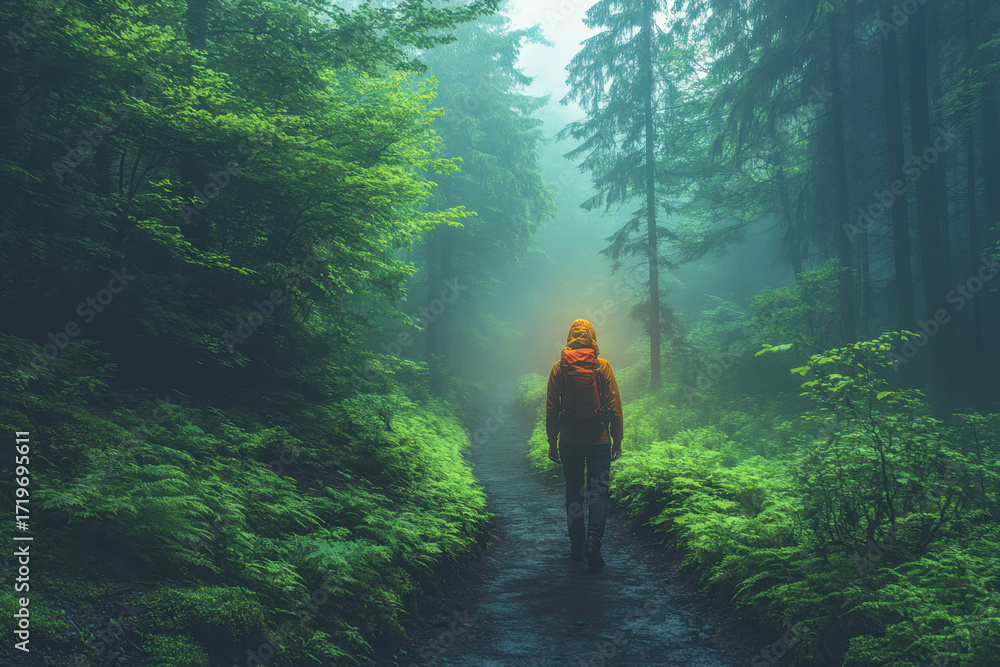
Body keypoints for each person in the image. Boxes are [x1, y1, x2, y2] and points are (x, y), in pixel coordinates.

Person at [546, 318, 623, 569]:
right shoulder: (603, 366)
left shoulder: (559, 367)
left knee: (573, 492)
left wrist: (552, 442)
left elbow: (551, 408)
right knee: (598, 493)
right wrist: (617, 439)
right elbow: (614, 407)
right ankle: (594, 542)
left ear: (570, 336)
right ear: (593, 336)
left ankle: (577, 547)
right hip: (599, 440)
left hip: (569, 441)